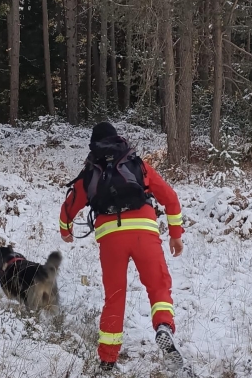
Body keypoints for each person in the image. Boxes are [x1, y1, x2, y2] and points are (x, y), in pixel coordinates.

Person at [59, 122, 185, 374]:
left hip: (111, 238)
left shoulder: (91, 172)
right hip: (144, 231)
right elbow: (170, 198)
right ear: (118, 139)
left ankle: (107, 360)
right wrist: (175, 235)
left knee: (114, 296)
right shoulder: (136, 164)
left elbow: (69, 208)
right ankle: (163, 326)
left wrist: (66, 230)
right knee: (158, 285)